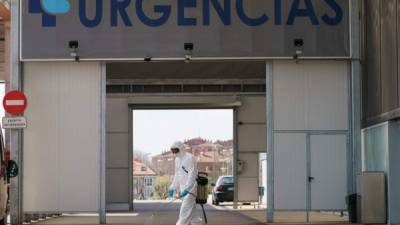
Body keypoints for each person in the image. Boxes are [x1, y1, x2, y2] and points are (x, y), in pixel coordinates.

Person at [168, 141, 198, 225]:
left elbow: (192, 175)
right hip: (183, 190)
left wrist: (187, 189)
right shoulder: (177, 160)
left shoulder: (190, 158)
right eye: (172, 151)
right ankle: (197, 223)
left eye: (175, 150)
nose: (174, 153)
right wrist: (172, 187)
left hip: (190, 190)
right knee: (192, 215)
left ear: (181, 149)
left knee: (184, 214)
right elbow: (177, 175)